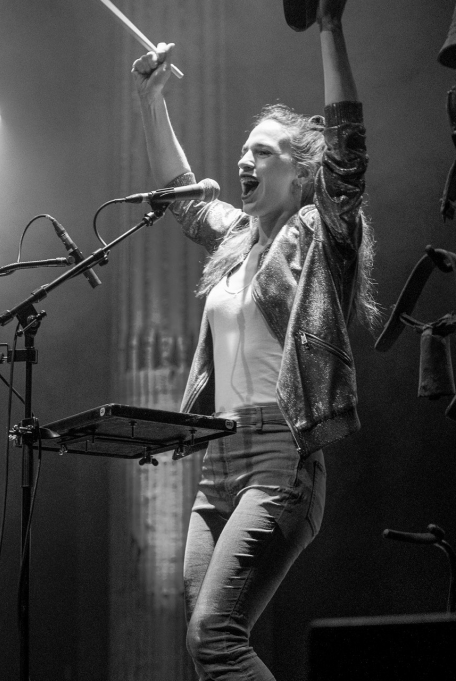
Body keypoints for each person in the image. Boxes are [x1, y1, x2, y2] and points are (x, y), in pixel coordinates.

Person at [131, 1, 377, 678]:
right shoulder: (238, 240)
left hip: (281, 455)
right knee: (207, 647)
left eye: (262, 152)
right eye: (243, 149)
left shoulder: (319, 234)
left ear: (301, 174)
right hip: (218, 461)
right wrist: (151, 100)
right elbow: (183, 195)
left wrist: (329, 28)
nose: (244, 158)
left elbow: (348, 152)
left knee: (214, 636)